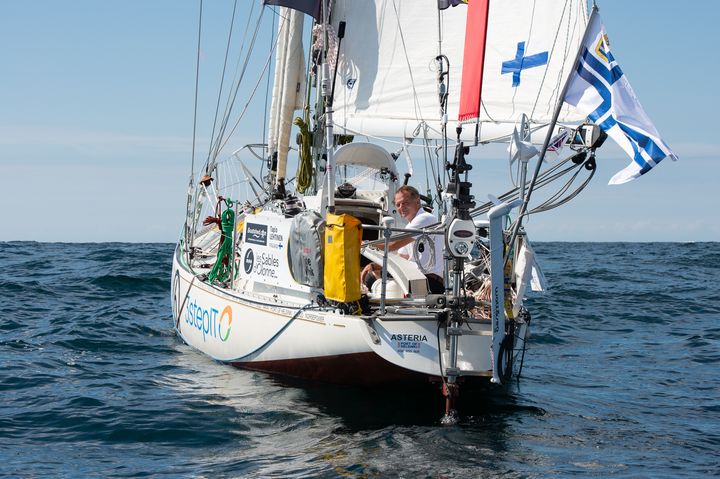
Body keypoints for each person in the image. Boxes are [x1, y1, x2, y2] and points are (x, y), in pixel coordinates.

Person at [360, 185, 445, 294]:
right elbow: (402, 258)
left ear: (417, 202)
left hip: (428, 282)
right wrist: (373, 266)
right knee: (371, 274)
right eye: (398, 205)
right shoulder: (411, 225)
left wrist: (363, 244)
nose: (401, 207)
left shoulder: (425, 218)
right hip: (416, 278)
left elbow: (393, 245)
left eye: (405, 203)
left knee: (370, 278)